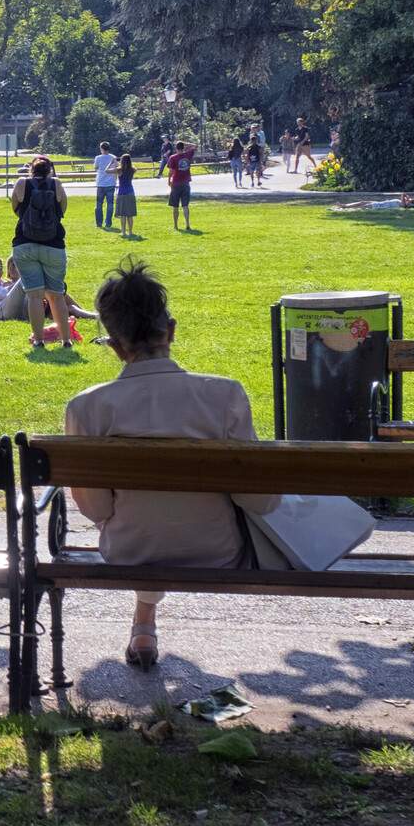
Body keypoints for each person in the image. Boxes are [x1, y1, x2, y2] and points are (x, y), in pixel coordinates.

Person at [65, 261, 276, 669]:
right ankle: (144, 624)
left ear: (113, 345)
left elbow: (96, 509)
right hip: (217, 551)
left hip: (128, 551)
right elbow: (257, 498)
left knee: (150, 523)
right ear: (172, 331)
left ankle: (144, 624)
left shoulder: (87, 407)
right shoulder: (225, 395)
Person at [9, 156, 74, 351]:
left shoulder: (22, 183)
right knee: (57, 295)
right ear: (49, 171)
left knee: (35, 296)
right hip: (53, 245)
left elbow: (15, 207)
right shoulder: (57, 184)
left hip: (25, 244)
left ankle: (38, 341)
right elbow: (62, 209)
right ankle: (66, 340)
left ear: (31, 169)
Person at [164, 140, 196, 231]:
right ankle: (187, 224)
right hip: (186, 183)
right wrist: (186, 144)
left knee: (175, 206)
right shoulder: (187, 155)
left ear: (176, 148)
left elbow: (170, 171)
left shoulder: (173, 157)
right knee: (185, 205)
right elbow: (195, 145)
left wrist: (169, 181)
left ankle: (176, 225)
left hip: (176, 183)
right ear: (183, 147)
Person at [113, 152, 139, 239]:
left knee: (123, 214)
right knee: (130, 215)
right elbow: (135, 168)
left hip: (122, 193)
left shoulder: (119, 170)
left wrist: (113, 163)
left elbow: (106, 170)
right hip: (130, 192)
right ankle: (130, 232)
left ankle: (123, 232)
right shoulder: (133, 170)